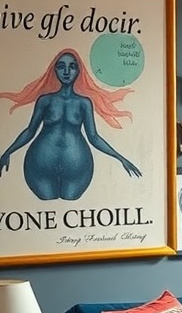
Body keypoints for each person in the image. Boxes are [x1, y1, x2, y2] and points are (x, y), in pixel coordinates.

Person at [0, 48, 141, 200]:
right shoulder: (45, 100)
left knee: (71, 202)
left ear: (79, 71)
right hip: (40, 165)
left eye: (72, 66)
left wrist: (121, 158)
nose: (66, 71)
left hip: (77, 169)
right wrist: (7, 153)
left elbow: (93, 137)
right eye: (61, 66)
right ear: (54, 70)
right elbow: (30, 131)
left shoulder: (84, 103)